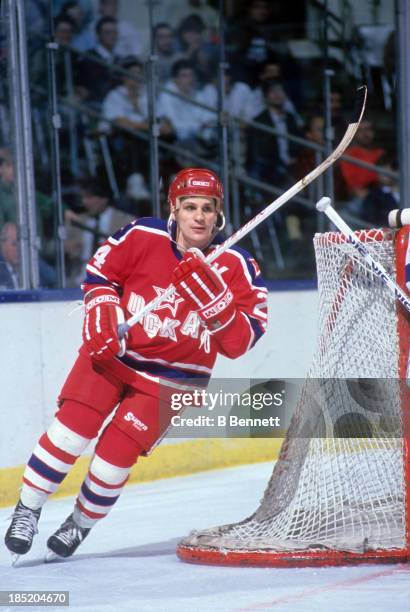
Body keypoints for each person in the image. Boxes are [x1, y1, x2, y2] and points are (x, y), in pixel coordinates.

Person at [4, 168, 267, 560]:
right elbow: (101, 274)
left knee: (112, 463)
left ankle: (79, 524)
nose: (199, 216)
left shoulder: (237, 265)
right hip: (115, 357)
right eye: (190, 207)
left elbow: (240, 342)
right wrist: (103, 306)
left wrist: (219, 309)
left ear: (218, 214)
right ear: (173, 209)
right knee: (69, 436)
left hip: (174, 381)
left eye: (207, 209)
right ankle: (28, 509)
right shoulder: (142, 234)